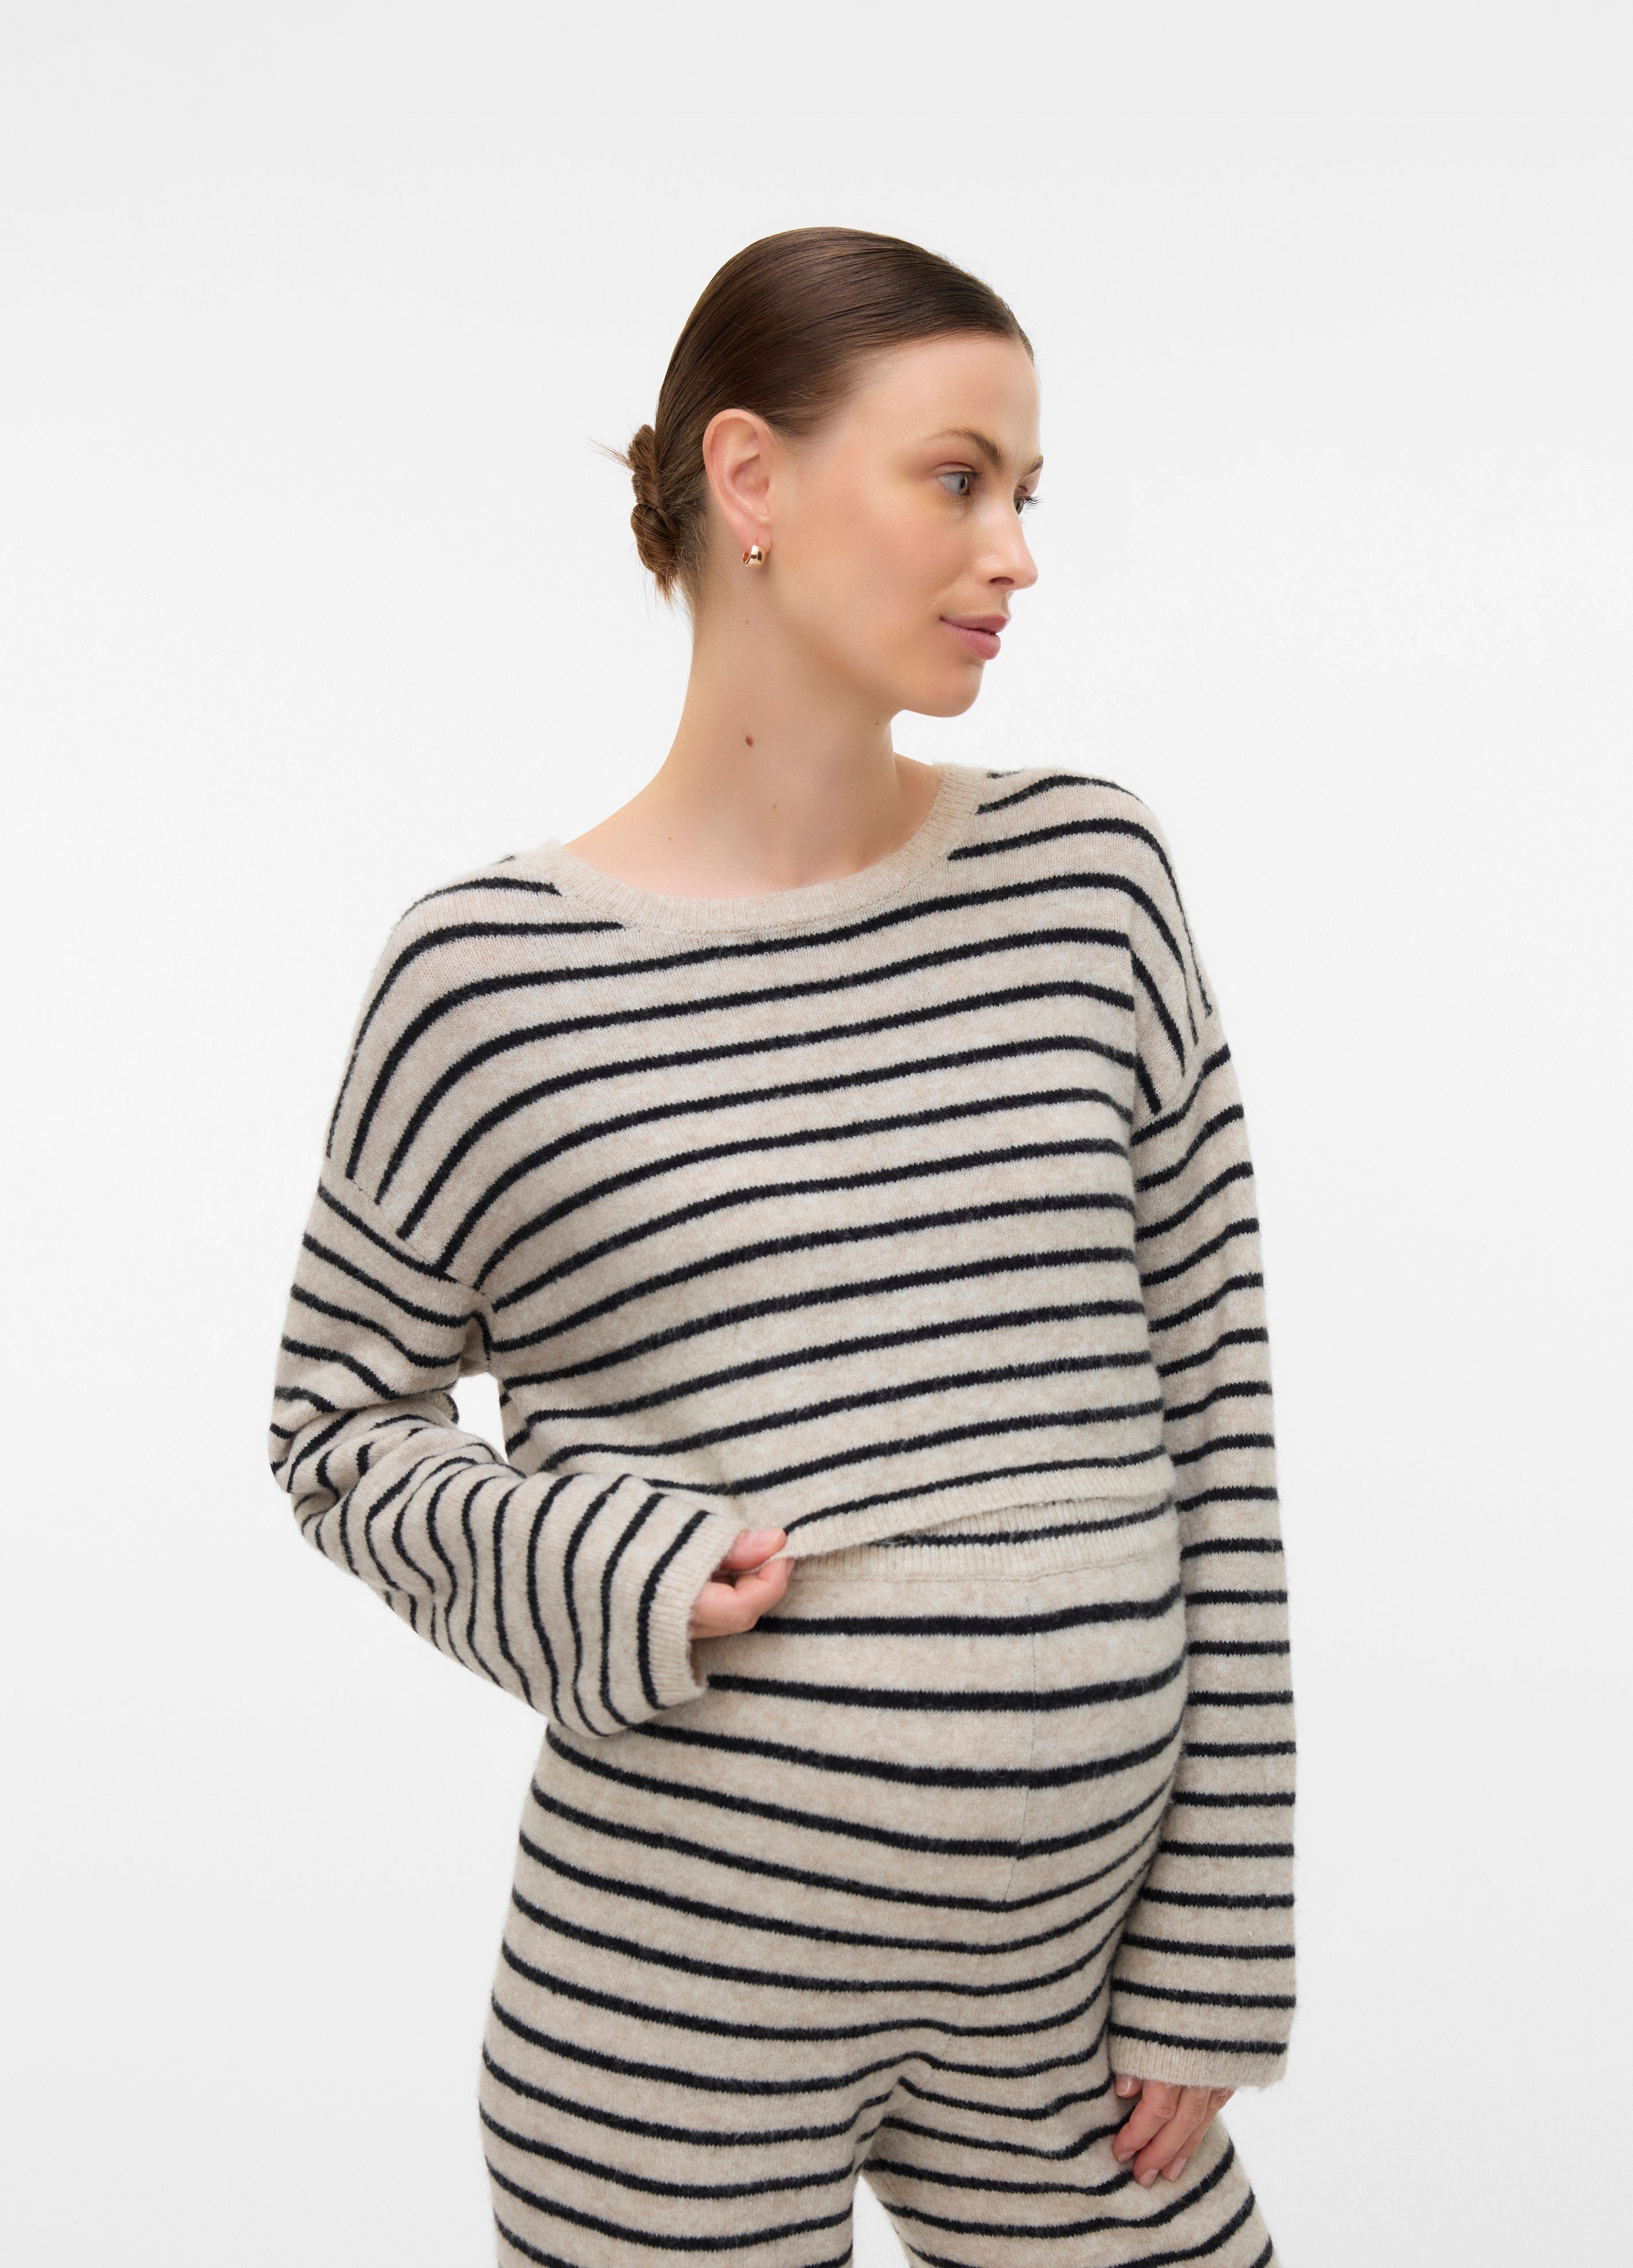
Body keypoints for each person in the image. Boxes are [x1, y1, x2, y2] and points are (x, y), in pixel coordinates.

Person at [267, 226, 1295, 2267]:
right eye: (958, 479)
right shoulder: (488, 981)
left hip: (1069, 2003)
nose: (1016, 554)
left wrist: (1214, 1953)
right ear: (750, 478)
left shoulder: (1092, 882)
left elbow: (1220, 1417)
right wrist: (616, 1561)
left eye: (1028, 493)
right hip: (671, 2006)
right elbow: (334, 1432)